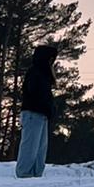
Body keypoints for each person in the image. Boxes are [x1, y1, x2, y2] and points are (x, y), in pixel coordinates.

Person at [16, 43, 59, 178]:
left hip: (41, 115)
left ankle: (36, 174)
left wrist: (49, 109)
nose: (52, 63)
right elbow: (34, 92)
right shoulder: (35, 72)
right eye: (50, 59)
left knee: (40, 149)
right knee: (30, 146)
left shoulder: (44, 75)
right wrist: (45, 105)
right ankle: (24, 174)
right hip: (32, 113)